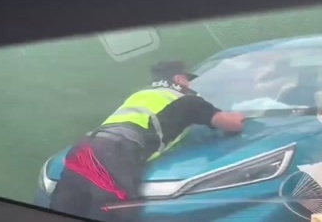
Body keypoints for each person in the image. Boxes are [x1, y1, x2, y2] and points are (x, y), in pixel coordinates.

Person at [49, 60, 245, 222]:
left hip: (84, 148)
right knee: (115, 213)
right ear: (178, 79)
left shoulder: (140, 95)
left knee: (65, 209)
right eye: (187, 79)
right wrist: (238, 114)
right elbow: (231, 124)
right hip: (116, 152)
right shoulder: (186, 99)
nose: (190, 85)